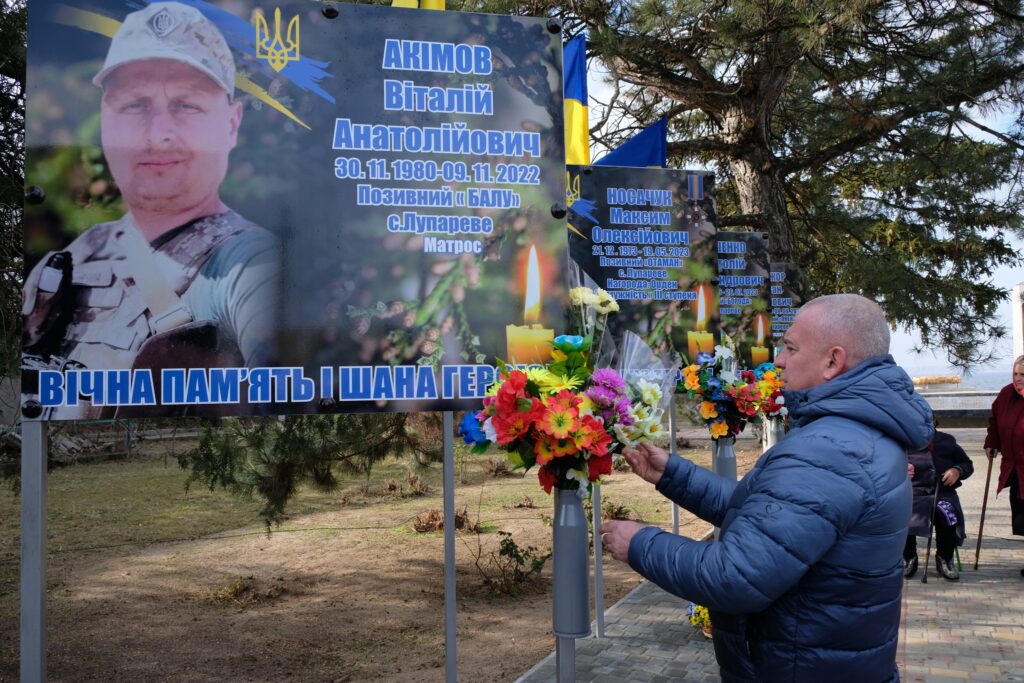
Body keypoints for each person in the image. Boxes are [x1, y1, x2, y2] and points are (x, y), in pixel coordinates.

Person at [602, 293, 933, 682]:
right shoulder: (854, 432)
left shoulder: (832, 450)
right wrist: (673, 475)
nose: (778, 359)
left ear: (833, 361)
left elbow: (737, 576)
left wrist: (640, 542)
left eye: (791, 347)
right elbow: (771, 520)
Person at [22, 2, 281, 418]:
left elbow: (282, 400)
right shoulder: (79, 255)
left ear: (231, 124)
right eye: (135, 105)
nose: (158, 133)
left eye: (186, 105)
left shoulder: (249, 266)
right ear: (105, 119)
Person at [903, 429, 974, 580]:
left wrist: (957, 470)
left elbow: (967, 463)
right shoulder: (904, 441)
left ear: (934, 422)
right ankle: (909, 558)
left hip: (941, 492)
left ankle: (944, 558)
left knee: (947, 512)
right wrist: (899, 471)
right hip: (913, 492)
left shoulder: (947, 441)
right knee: (902, 513)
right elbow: (885, 463)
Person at [983, 354, 1024, 576]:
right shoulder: (1007, 394)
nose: (1017, 379)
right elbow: (995, 421)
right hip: (1016, 469)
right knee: (1021, 518)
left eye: (1022, 375)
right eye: (1015, 374)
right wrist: (992, 443)